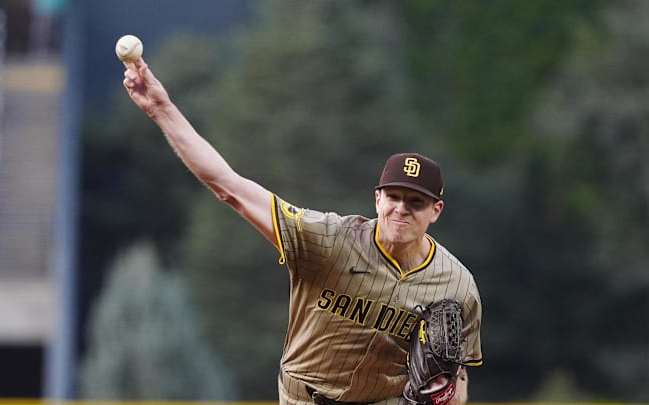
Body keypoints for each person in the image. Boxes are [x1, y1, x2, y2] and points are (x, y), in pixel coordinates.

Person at [121, 57, 483, 405]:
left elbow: (457, 379)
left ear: (436, 211)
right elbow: (229, 187)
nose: (401, 208)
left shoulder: (457, 286)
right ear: (377, 200)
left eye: (416, 202)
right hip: (306, 398)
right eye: (394, 196)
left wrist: (446, 395)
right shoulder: (327, 240)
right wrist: (162, 110)